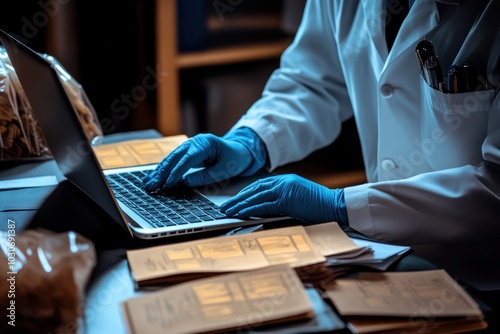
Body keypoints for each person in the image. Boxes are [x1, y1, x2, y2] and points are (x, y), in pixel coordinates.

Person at [143, 0, 500, 291]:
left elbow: (495, 184)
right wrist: (251, 140)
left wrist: (340, 205)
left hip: (481, 275)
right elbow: (315, 80)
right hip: (386, 258)